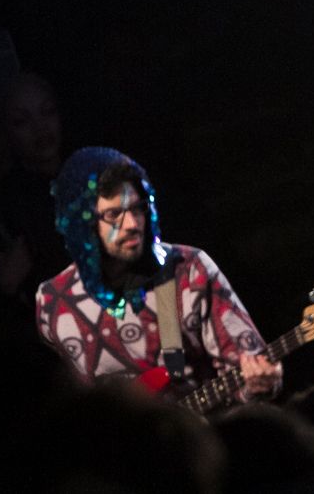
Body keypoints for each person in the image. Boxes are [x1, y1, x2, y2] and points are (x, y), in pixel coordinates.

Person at [35, 147, 281, 405]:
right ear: (81, 226)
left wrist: (258, 385)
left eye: (137, 208)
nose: (131, 224)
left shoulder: (187, 269)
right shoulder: (53, 301)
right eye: (113, 214)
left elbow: (246, 369)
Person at [0, 73, 71, 337]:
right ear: (5, 131)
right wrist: (6, 285)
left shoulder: (98, 176)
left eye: (47, 112)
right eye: (22, 121)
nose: (40, 128)